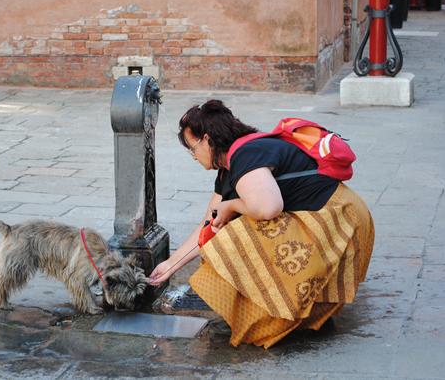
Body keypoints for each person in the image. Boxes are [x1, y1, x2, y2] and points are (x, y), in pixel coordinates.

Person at [148, 99, 374, 349]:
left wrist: (232, 206)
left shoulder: (246, 156)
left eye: (192, 148)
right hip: (334, 214)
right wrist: (171, 265)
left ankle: (276, 318)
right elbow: (209, 222)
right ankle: (298, 314)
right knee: (220, 231)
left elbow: (269, 207)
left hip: (339, 218)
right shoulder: (230, 164)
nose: (192, 156)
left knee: (234, 237)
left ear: (208, 139)